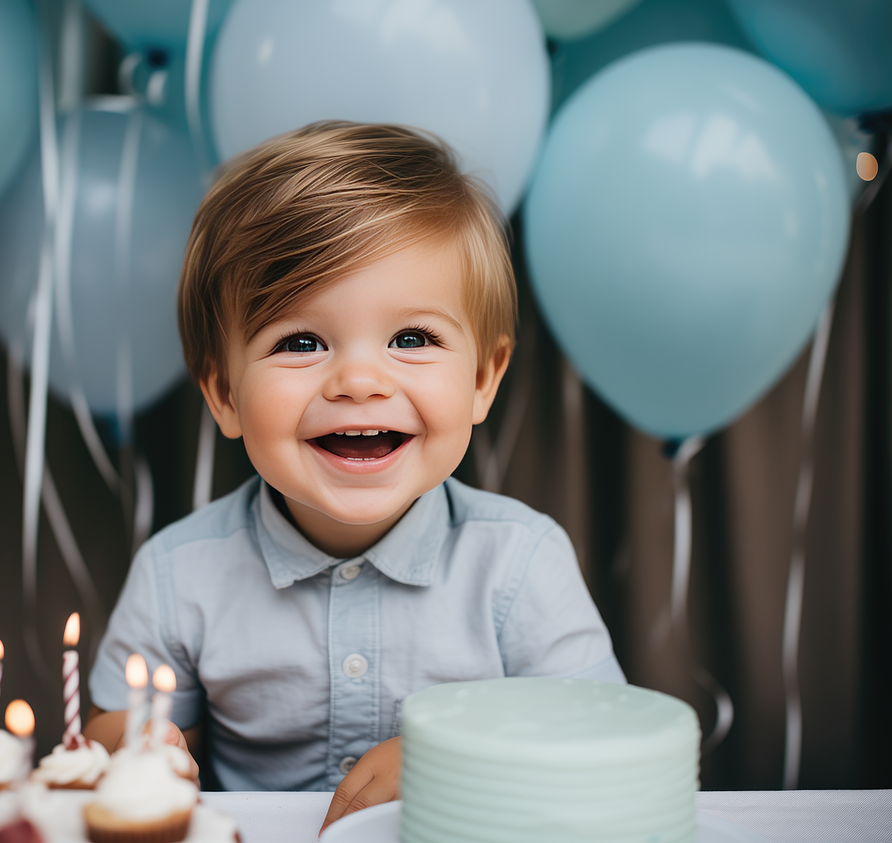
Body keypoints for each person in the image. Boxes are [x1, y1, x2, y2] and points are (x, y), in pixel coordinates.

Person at [82, 121, 623, 830]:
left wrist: (458, 751)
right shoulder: (179, 576)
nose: (361, 379)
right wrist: (135, 744)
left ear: (484, 378)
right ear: (223, 394)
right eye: (301, 341)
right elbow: (105, 736)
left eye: (411, 338)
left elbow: (604, 735)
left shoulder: (519, 562)